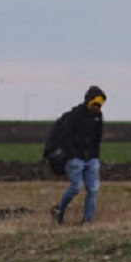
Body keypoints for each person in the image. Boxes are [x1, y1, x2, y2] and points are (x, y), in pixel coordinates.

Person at [50, 85, 105, 226]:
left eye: (101, 105)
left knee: (93, 189)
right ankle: (59, 209)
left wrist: (95, 158)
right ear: (89, 101)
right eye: (95, 104)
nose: (98, 107)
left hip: (91, 159)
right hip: (75, 159)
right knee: (76, 187)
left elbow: (97, 139)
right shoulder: (75, 115)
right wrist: (72, 155)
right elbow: (65, 137)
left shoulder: (98, 117)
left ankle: (86, 222)